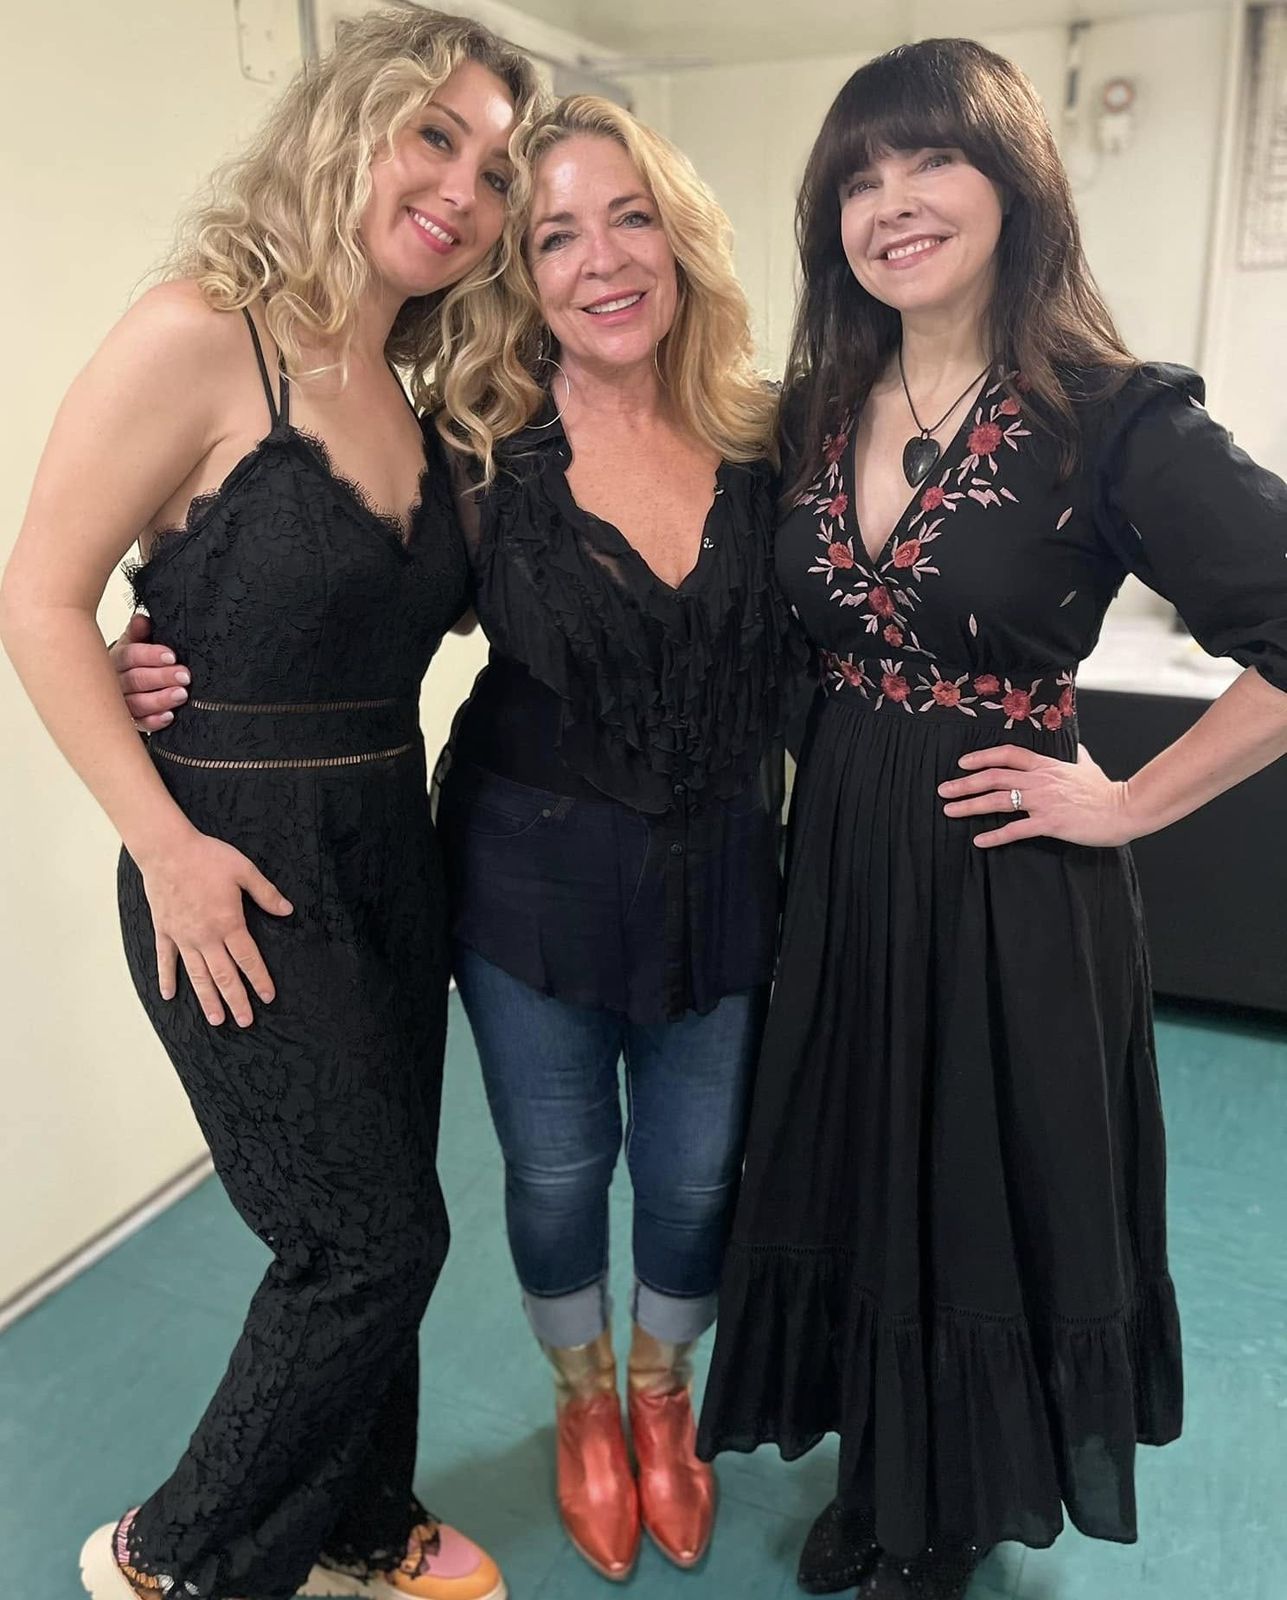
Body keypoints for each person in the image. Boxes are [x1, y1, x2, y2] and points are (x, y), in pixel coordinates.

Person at [115, 95, 801, 1585]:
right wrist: (155, 653)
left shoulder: (771, 440)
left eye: (629, 217)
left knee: (697, 1180)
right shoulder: (478, 459)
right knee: (555, 1178)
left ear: (680, 237)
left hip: (726, 886)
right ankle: (584, 1408)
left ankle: (663, 1398)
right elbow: (330, 602)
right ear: (521, 277)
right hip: (523, 894)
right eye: (554, 234)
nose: (600, 259)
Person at [694, 37, 1287, 1600]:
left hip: (1007, 866)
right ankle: (883, 1466)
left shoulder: (1110, 418)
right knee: (856, 1157)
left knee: (975, 1179)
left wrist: (1129, 802)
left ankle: (946, 1507)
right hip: (840, 857)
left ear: (1016, 184)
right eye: (859, 180)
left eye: (930, 162)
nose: (891, 204)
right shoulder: (818, 410)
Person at [0, 11, 542, 1600]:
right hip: (228, 856)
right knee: (363, 1244)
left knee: (396, 1208)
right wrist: (165, 849)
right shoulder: (199, 332)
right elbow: (39, 599)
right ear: (348, 126)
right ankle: (170, 1558)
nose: (462, 189)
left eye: (497, 173)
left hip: (389, 846)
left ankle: (363, 1525)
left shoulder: (417, 392)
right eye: (434, 134)